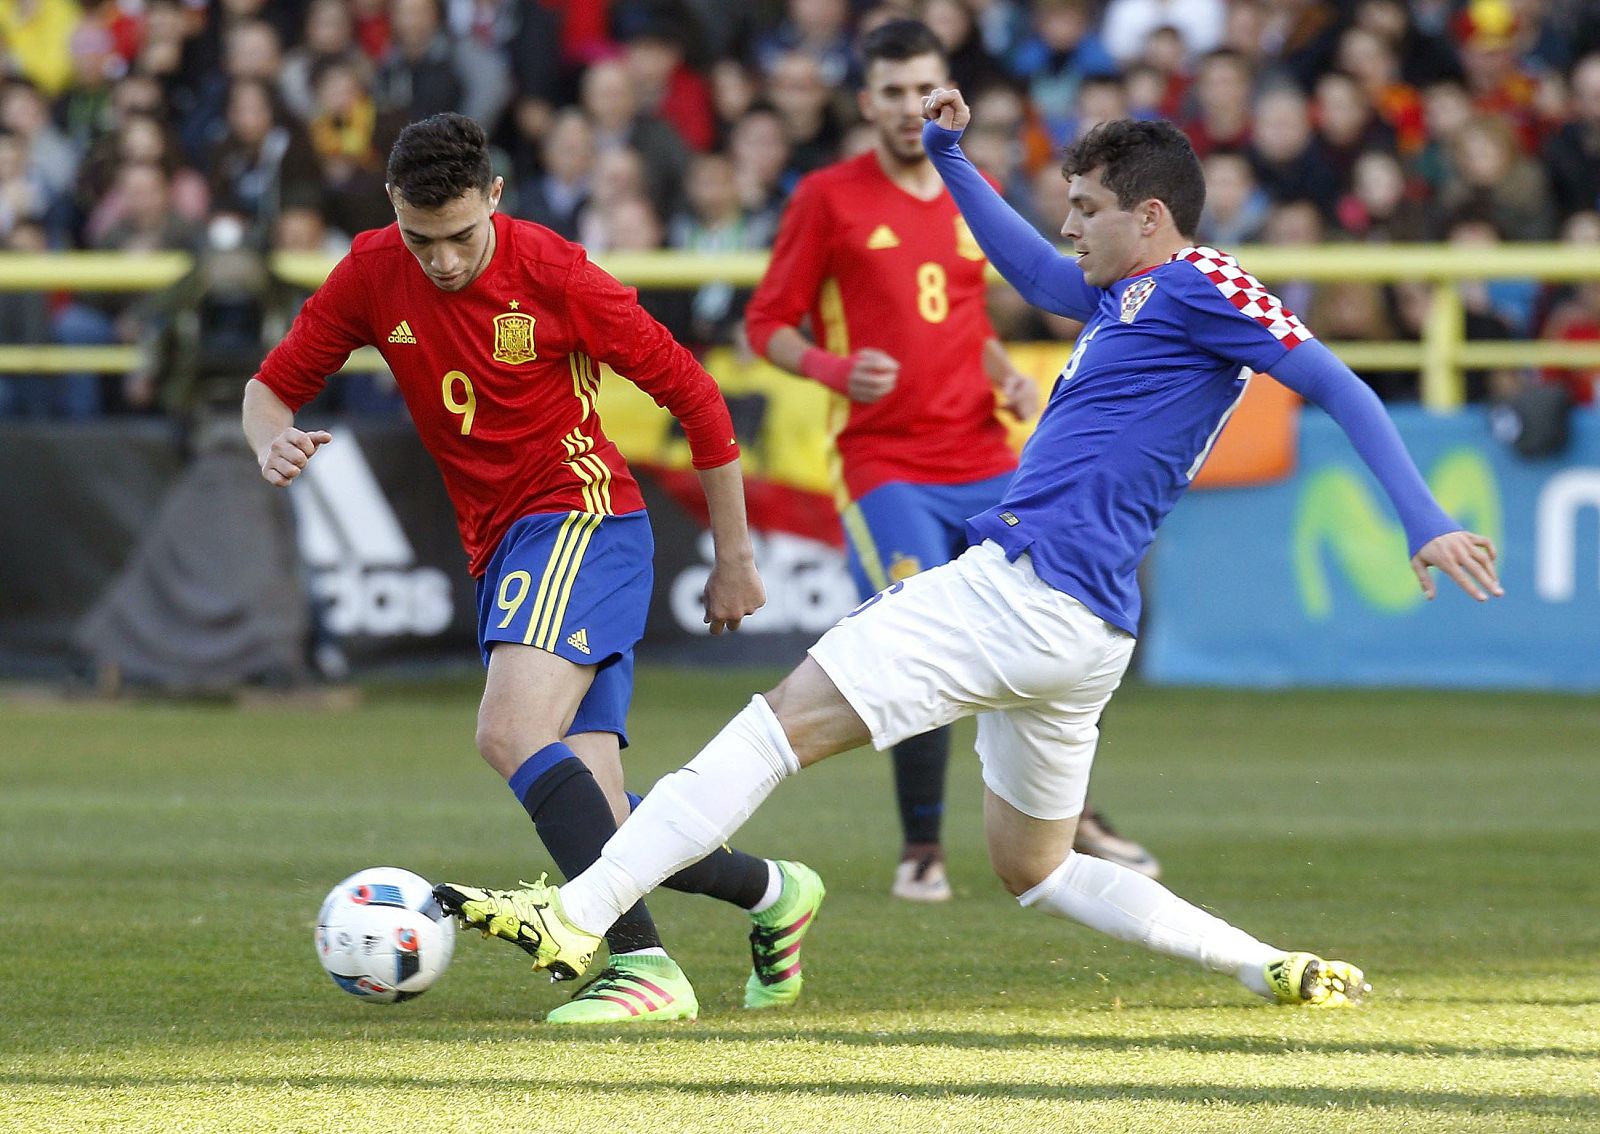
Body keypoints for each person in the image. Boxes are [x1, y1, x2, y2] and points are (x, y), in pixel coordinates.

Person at [434, 94, 1504, 1010]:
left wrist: (1420, 516)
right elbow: (1034, 272)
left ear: (1152, 215)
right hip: (1084, 634)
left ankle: (579, 913)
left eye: (1087, 209)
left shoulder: (1199, 285)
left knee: (771, 731)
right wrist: (951, 158)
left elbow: (1336, 385)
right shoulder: (1127, 291)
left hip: (1021, 588)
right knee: (1033, 868)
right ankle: (1264, 962)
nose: (1069, 227)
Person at [242, 113, 825, 1025]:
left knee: (508, 732)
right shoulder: (369, 270)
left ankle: (643, 969)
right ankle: (770, 892)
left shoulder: (554, 271)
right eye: (419, 237)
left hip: (579, 515)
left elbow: (694, 394)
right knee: (594, 802)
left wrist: (735, 556)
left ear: (497, 200)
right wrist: (270, 443)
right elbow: (269, 389)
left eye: (461, 236)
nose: (439, 260)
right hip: (503, 543)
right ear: (394, 211)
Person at [742, 19, 1157, 902]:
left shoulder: (972, 188)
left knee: (1052, 621)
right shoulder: (827, 197)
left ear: (946, 95)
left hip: (983, 451)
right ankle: (923, 844)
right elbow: (765, 326)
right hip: (883, 463)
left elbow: (964, 317)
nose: (906, 107)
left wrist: (1003, 371)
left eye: (920, 89)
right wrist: (831, 369)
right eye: (889, 91)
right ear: (865, 102)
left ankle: (1070, 814)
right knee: (921, 630)